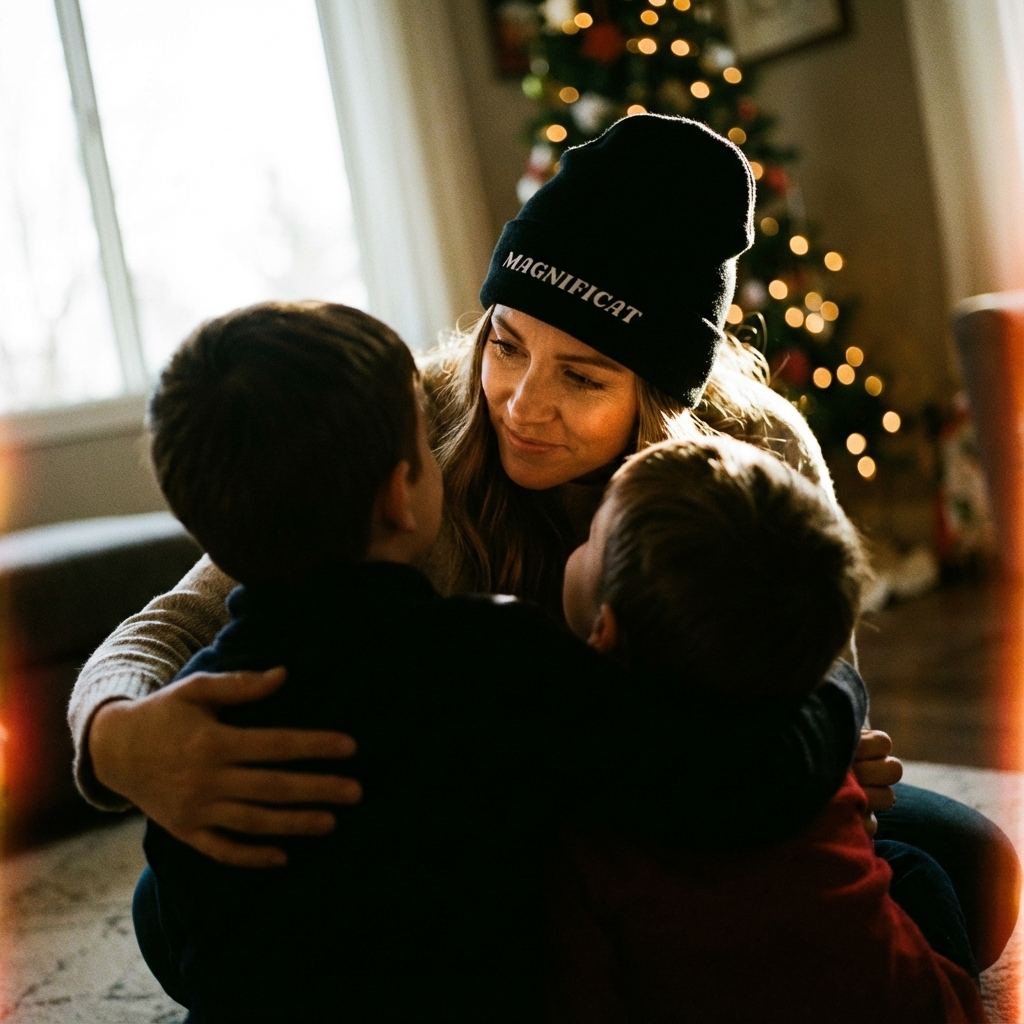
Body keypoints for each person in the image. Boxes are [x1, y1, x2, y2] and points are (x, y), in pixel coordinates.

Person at [68, 114, 1019, 966]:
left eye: (583, 377)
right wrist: (118, 738)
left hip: (686, 811)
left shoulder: (756, 449)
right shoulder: (411, 430)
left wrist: (815, 733)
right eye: (507, 342)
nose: (523, 403)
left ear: (657, 398)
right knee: (181, 895)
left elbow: (824, 664)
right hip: (478, 837)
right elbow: (182, 616)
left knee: (972, 863)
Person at [137, 301, 867, 1021]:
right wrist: (828, 694)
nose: (515, 405)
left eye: (581, 377)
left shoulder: (184, 732)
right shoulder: (494, 655)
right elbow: (724, 778)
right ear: (400, 493)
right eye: (428, 445)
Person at [548, 434, 986, 1023]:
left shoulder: (578, 772)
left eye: (592, 535)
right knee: (918, 872)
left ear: (607, 631)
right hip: (896, 997)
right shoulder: (816, 734)